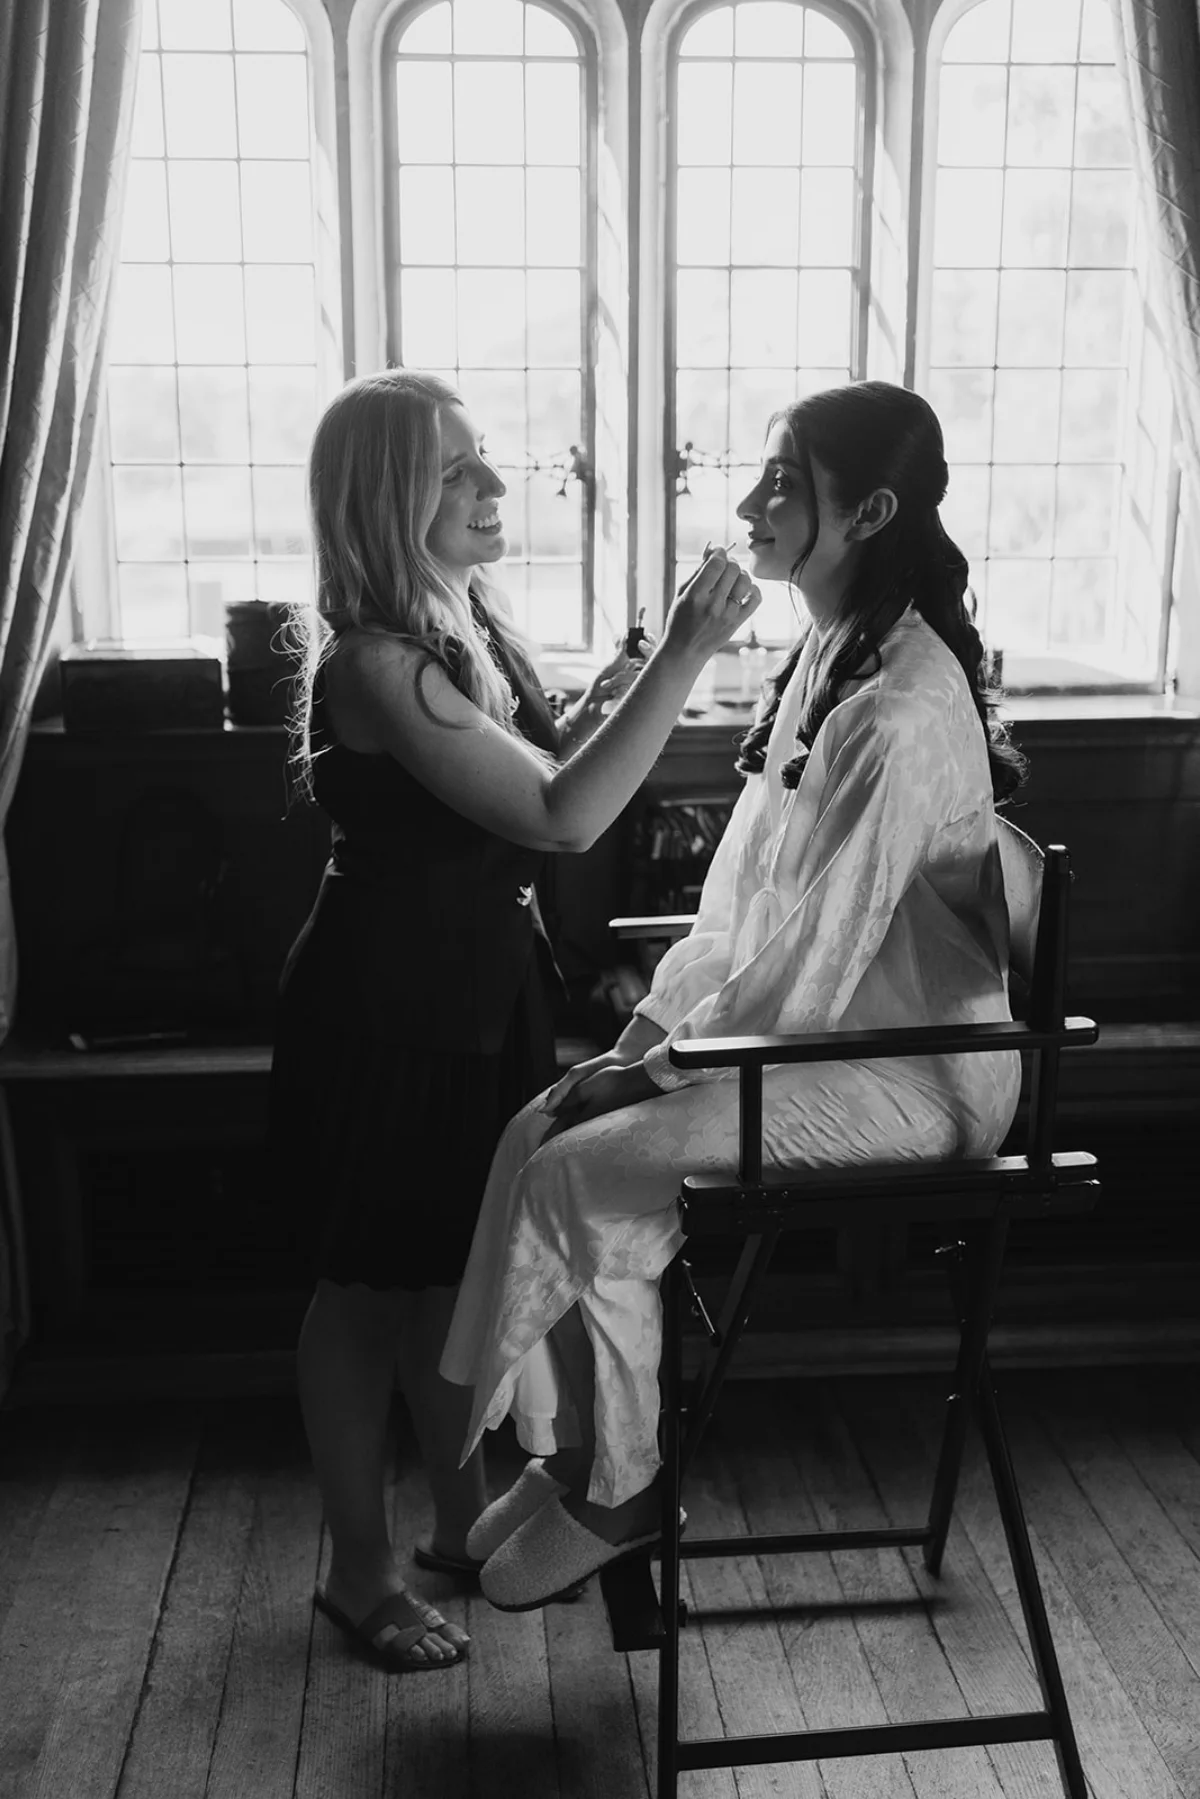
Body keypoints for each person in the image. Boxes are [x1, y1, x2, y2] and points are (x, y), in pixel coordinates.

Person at [439, 379, 1028, 1611]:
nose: (754, 502)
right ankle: (579, 1452)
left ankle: (628, 1482)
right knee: (529, 1130)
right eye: (762, 472)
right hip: (820, 1038)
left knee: (578, 1168)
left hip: (912, 1069)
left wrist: (647, 1071)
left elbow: (809, 967)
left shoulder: (902, 705)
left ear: (868, 512)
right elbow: (743, 911)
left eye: (786, 481)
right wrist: (645, 1039)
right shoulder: (826, 650)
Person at [268, 367, 761, 1672]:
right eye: (461, 471)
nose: (496, 488)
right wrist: (684, 655)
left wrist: (617, 683)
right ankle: (358, 1570)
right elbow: (561, 819)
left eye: (490, 463)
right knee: (365, 1292)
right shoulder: (377, 665)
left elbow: (540, 777)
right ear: (390, 498)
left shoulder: (462, 620)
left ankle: (456, 1524)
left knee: (446, 1270)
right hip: (384, 1011)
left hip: (477, 995)